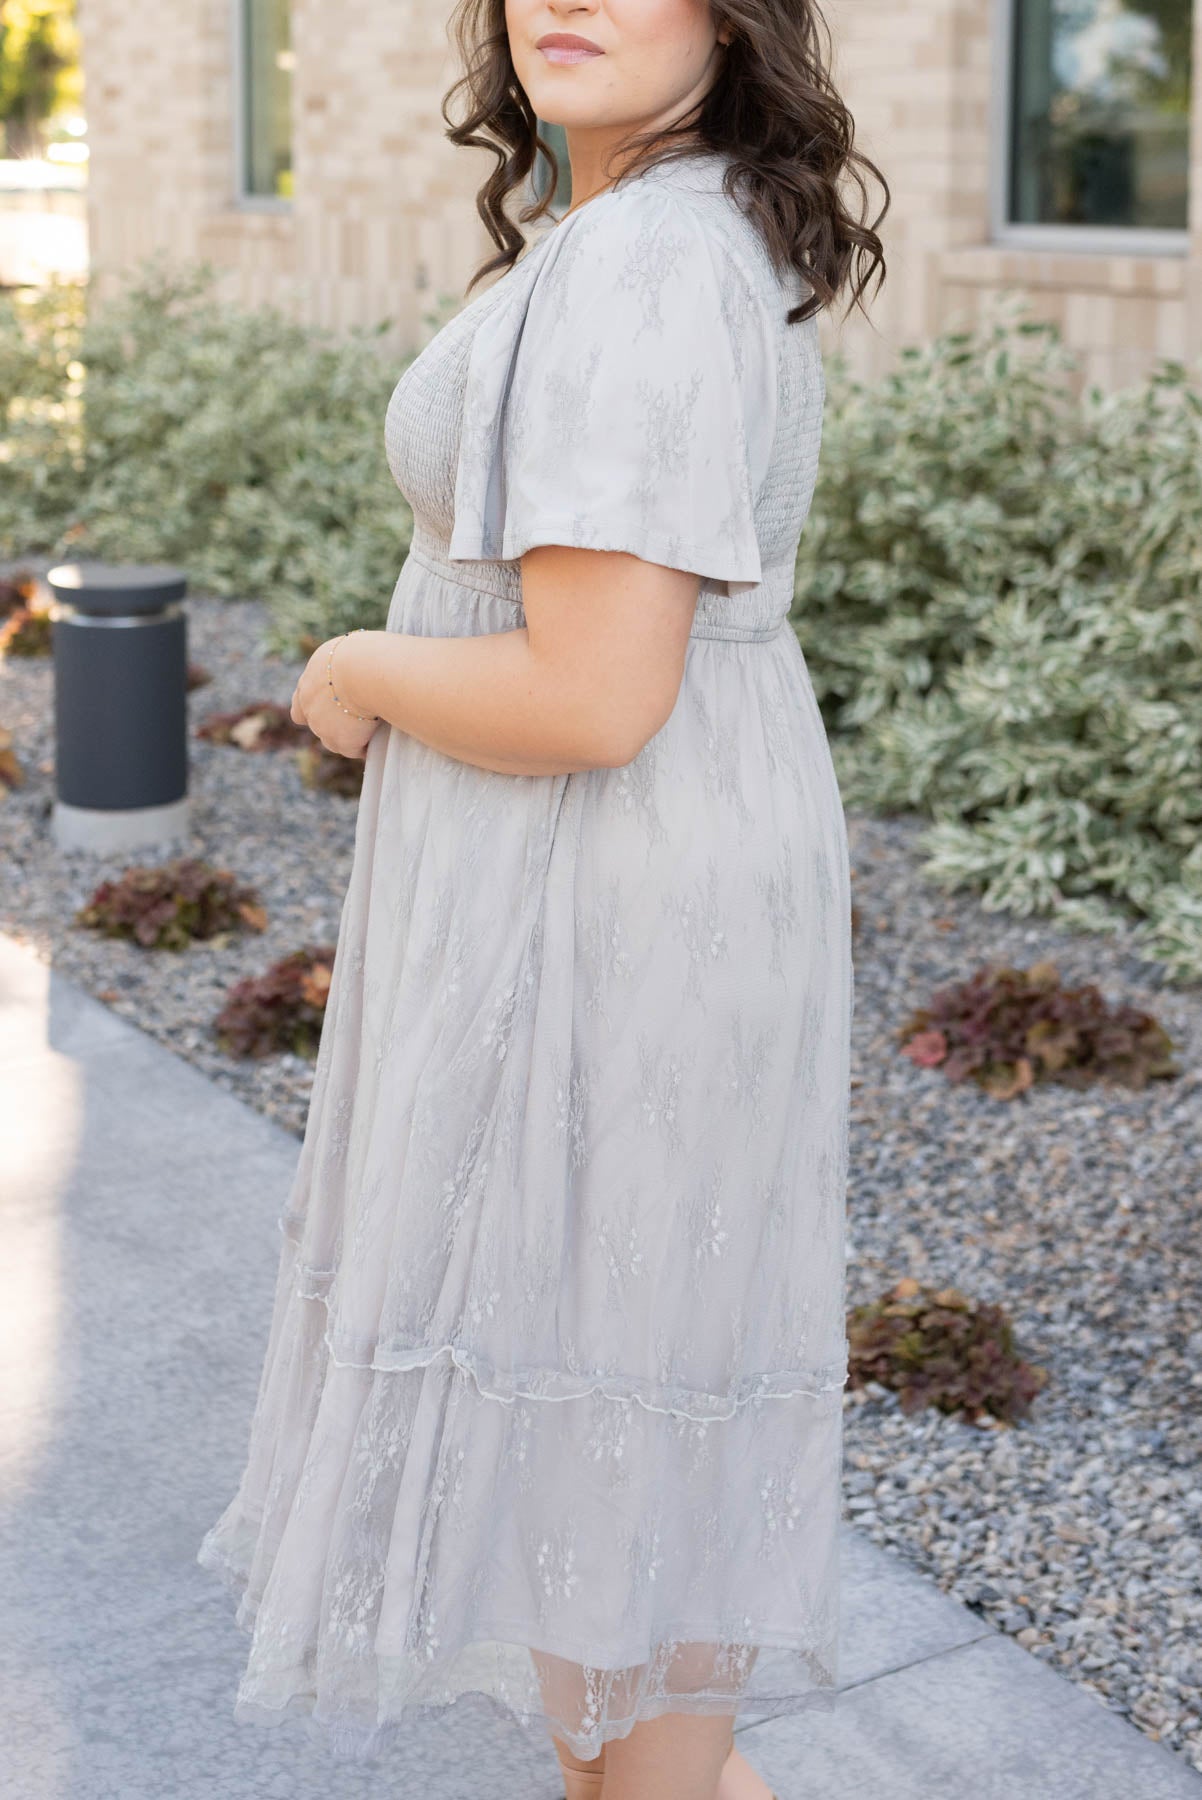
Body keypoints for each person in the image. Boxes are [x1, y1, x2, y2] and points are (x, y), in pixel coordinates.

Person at [196, 3, 888, 1797]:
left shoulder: (649, 258)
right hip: (643, 887)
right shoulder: (662, 222)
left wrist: (351, 667)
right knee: (624, 1625)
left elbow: (590, 694)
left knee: (629, 1624)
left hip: (620, 911)